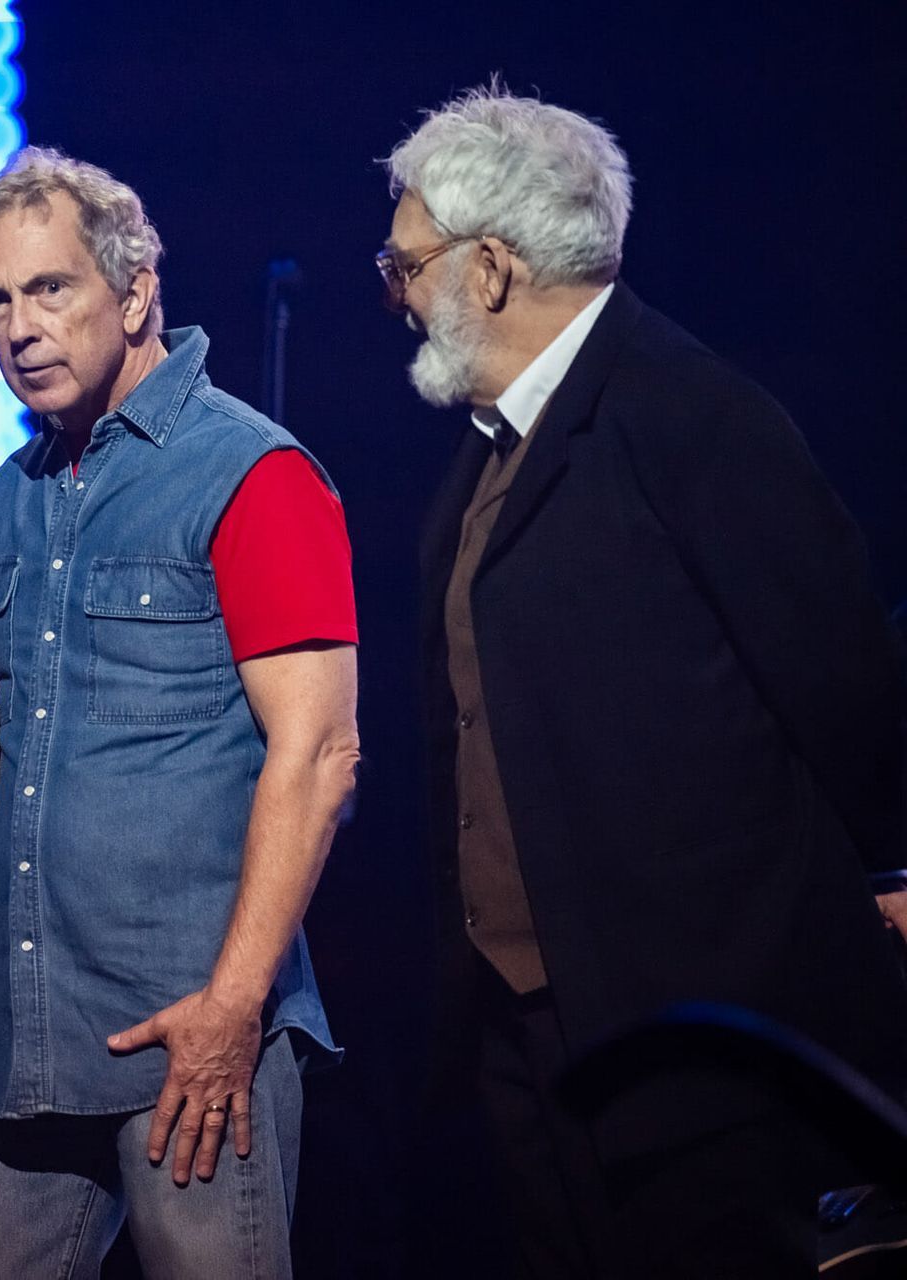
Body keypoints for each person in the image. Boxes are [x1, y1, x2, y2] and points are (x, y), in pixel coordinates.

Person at [383, 84, 907, 1276]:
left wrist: (892, 864)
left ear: (495, 267)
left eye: (407, 264)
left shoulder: (688, 410)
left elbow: (842, 675)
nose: (399, 297)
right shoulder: (485, 458)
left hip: (704, 1040)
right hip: (537, 1035)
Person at [0, 146, 358, 1279]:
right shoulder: (11, 493)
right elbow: (25, 756)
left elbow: (320, 753)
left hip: (190, 1039)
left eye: (50, 289)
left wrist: (233, 1007)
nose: (19, 328)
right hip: (25, 1039)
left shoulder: (252, 471)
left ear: (136, 288)